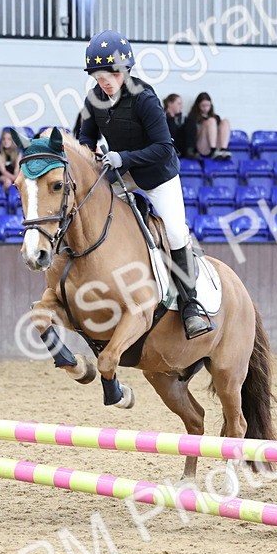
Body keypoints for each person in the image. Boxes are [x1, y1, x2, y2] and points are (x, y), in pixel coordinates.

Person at [77, 29, 213, 339]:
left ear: (124, 70)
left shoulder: (145, 98)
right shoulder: (94, 99)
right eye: (98, 74)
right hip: (119, 172)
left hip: (157, 175)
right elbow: (84, 137)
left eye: (110, 72)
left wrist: (122, 158)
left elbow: (165, 147)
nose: (104, 80)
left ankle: (191, 306)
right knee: (90, 205)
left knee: (177, 232)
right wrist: (92, 153)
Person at [187, 92, 232, 160]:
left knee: (225, 122)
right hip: (202, 146)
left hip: (216, 145)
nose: (205, 108)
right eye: (203, 106)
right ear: (198, 105)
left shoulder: (216, 117)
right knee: (211, 121)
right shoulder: (192, 117)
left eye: (208, 105)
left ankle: (223, 149)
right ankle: (213, 150)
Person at [162, 93, 197, 160]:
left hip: (181, 146)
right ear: (170, 103)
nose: (181, 106)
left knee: (191, 122)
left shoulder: (181, 118)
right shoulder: (162, 116)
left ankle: (189, 150)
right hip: (169, 146)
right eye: (179, 103)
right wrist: (171, 118)